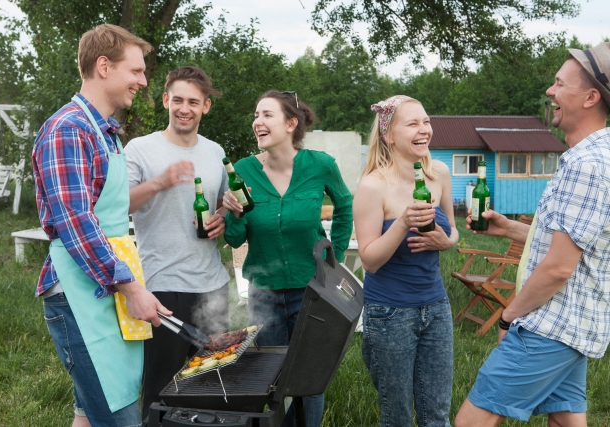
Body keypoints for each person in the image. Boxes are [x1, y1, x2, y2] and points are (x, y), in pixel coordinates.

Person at [455, 42, 610, 427]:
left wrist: (508, 318)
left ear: (590, 97)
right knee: (565, 421)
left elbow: (558, 267)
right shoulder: (594, 157)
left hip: (551, 325)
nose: (549, 92)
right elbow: (576, 243)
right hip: (573, 327)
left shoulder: (587, 166)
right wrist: (508, 228)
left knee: (471, 422)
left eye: (559, 84)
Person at [32, 24, 171, 427]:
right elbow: (76, 224)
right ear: (104, 66)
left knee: (89, 416)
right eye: (137, 71)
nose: (143, 82)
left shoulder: (105, 132)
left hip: (102, 290)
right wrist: (131, 288)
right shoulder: (68, 130)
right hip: (80, 294)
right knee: (120, 417)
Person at [222, 90, 353, 427]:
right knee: (269, 377)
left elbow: (345, 206)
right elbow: (235, 238)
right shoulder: (244, 171)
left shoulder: (320, 165)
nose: (257, 122)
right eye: (256, 115)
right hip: (263, 295)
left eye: (267, 115)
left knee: (308, 380)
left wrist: (333, 258)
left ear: (291, 123)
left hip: (312, 292)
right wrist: (232, 214)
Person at [124, 66, 230, 418]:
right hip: (162, 287)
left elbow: (224, 205)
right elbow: (117, 204)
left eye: (194, 102)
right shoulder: (140, 149)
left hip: (214, 285)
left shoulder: (216, 151)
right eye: (179, 100)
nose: (185, 108)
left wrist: (222, 219)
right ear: (166, 100)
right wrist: (160, 182)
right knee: (161, 391)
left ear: (206, 107)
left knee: (213, 388)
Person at [353, 95, 458, 427]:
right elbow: (369, 260)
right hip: (389, 313)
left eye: (426, 121)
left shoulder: (438, 173)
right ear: (388, 135)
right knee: (396, 414)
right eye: (412, 123)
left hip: (436, 307)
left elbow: (453, 232)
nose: (424, 129)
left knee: (437, 411)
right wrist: (401, 223)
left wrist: (446, 241)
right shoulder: (372, 186)